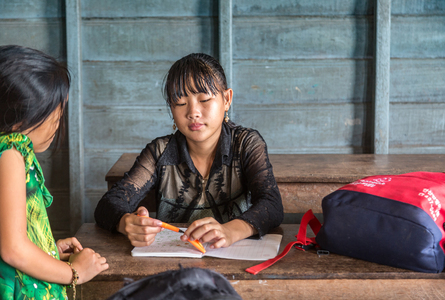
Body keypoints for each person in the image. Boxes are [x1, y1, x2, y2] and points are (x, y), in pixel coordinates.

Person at [95, 53, 283, 249]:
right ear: (171, 107)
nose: (193, 112)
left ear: (226, 99)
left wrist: (230, 230)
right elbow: (109, 203)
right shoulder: (159, 152)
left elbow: (272, 204)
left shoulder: (246, 144)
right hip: (175, 261)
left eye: (204, 100)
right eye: (181, 103)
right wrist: (127, 223)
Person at [0, 45, 109, 300]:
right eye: (56, 116)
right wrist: (73, 272)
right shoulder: (10, 155)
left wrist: (47, 250)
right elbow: (13, 250)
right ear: (20, 119)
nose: (59, 124)